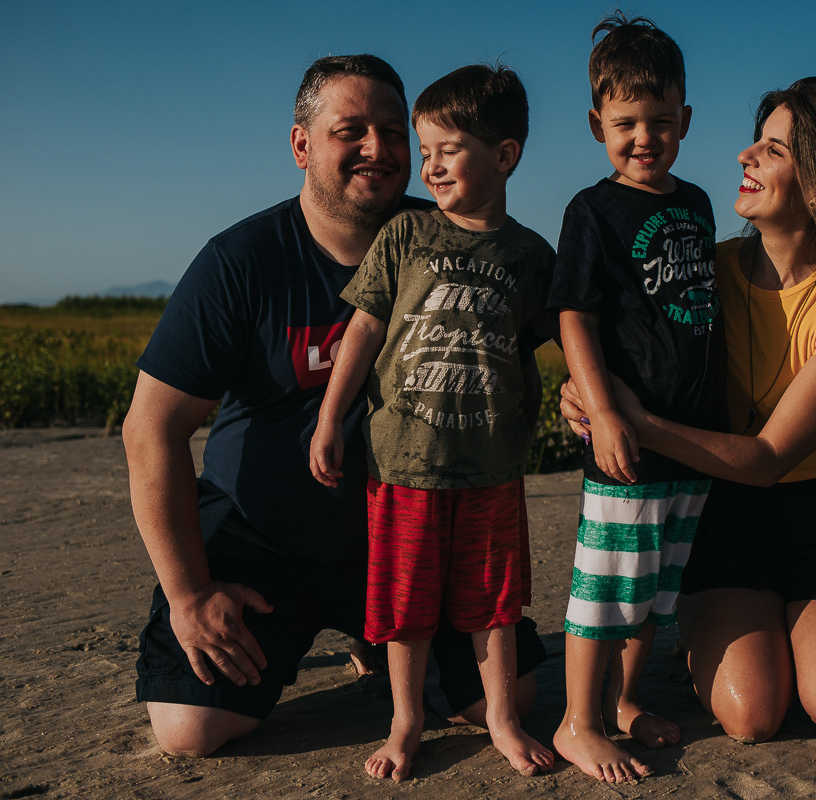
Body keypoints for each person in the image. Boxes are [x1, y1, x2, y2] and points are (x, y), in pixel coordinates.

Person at [124, 54, 545, 759]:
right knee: (190, 729)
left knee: (506, 698)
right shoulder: (242, 261)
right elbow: (150, 432)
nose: (377, 149)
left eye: (392, 132)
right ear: (301, 146)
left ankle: (373, 638)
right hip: (267, 542)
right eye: (350, 131)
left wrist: (583, 395)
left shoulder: (453, 239)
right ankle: (340, 634)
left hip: (415, 530)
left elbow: (525, 346)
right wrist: (190, 592)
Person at [563, 77, 816, 756]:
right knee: (752, 717)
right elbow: (616, 345)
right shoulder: (701, 268)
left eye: (772, 148)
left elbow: (769, 458)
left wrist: (637, 422)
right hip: (716, 513)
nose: (743, 155)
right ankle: (725, 625)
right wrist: (585, 395)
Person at [309, 64, 556, 781]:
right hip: (401, 461)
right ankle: (406, 720)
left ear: (504, 155)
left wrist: (568, 406)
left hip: (491, 466)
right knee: (405, 600)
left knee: (495, 600)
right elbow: (361, 333)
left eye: (449, 148)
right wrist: (332, 419)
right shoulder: (406, 235)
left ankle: (504, 720)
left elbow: (542, 347)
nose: (431, 164)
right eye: (427, 150)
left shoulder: (530, 256)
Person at [547, 15, 726, 783]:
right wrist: (605, 409)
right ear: (597, 125)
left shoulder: (700, 201)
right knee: (604, 590)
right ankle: (576, 722)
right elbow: (573, 317)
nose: (643, 136)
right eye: (625, 123)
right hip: (625, 439)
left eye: (659, 120)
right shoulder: (592, 211)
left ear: (686, 120)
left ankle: (621, 704)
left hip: (692, 440)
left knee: (653, 592)